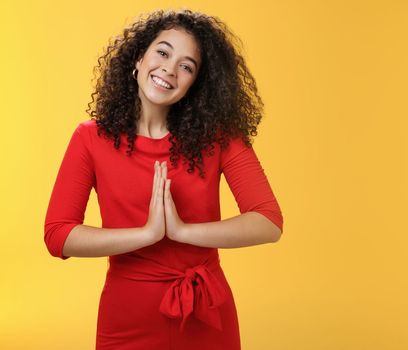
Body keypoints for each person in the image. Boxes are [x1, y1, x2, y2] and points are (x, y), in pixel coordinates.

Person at [43, 8, 284, 350]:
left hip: (207, 313)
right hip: (127, 316)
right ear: (138, 58)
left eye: (187, 66)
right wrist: (147, 234)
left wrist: (182, 231)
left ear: (195, 84)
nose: (169, 70)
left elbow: (268, 222)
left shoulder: (220, 138)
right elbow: (58, 235)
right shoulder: (89, 138)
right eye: (162, 52)